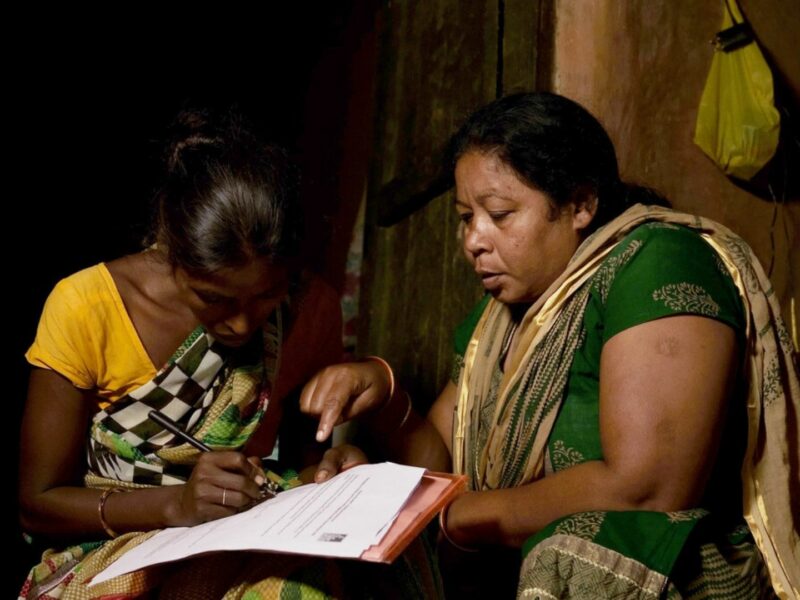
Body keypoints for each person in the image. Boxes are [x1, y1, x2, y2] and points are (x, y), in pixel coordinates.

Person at [300, 92, 799, 598]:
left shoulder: (657, 262)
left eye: (499, 213)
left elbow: (647, 489)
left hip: (662, 572)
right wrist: (386, 400)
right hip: (511, 569)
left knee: (566, 559)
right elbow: (444, 464)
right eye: (466, 217)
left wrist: (459, 517)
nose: (473, 240)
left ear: (580, 204)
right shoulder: (498, 319)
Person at [18, 110, 441, 599]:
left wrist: (333, 475)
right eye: (212, 298)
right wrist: (175, 505)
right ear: (173, 251)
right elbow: (37, 505)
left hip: (244, 531)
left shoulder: (307, 309)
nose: (241, 323)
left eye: (266, 296)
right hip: (110, 546)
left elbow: (301, 469)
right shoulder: (88, 306)